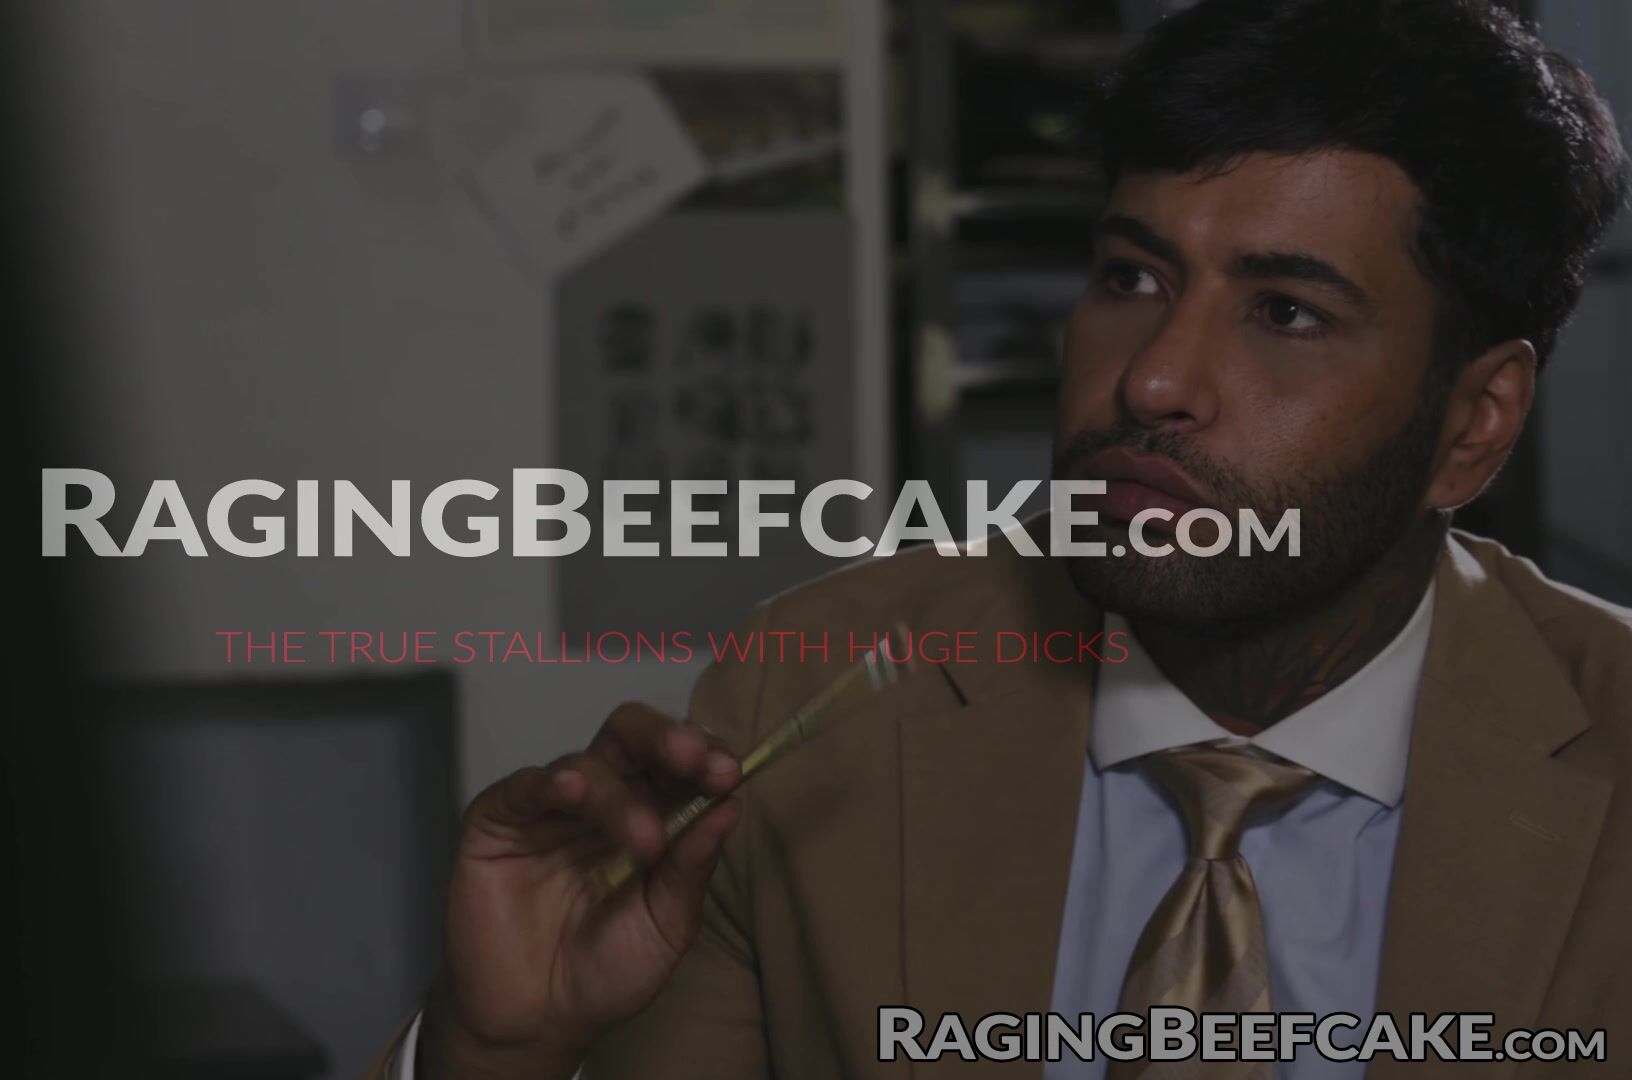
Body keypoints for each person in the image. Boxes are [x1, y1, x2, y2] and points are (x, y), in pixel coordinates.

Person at [368, 1, 1632, 1076]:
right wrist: (495, 1048)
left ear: (1474, 423)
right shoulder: (815, 698)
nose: (1153, 379)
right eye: (1132, 278)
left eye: (1285, 313)